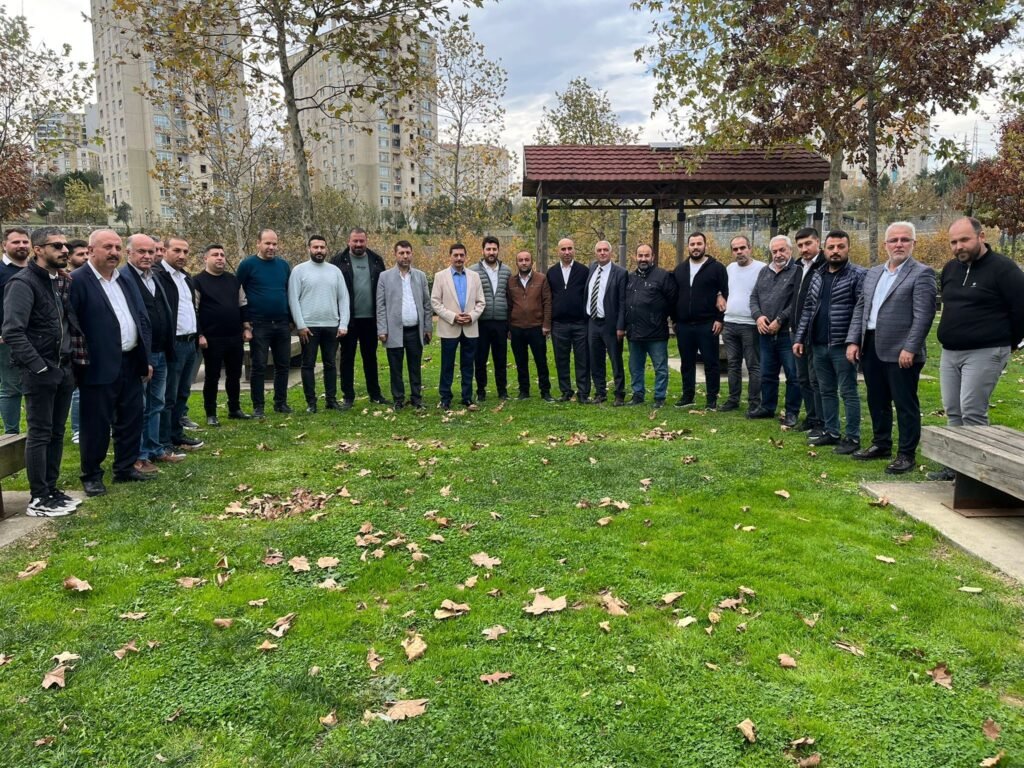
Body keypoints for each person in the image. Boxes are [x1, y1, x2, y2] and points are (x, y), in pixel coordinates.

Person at [929, 216, 1024, 480]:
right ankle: (955, 466)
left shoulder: (1004, 270)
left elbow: (1021, 309)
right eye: (953, 242)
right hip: (950, 352)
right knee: (953, 409)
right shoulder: (951, 269)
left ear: (981, 237)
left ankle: (975, 475)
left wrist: (1010, 342)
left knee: (972, 410)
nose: (958, 246)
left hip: (986, 350)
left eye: (964, 240)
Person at [846, 222, 937, 474]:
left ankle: (906, 454)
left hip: (902, 350)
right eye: (893, 240)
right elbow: (861, 308)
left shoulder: (922, 274)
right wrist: (853, 340)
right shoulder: (874, 273)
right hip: (871, 344)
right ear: (885, 244)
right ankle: (881, 444)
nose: (899, 244)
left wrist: (911, 348)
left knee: (905, 403)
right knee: (877, 399)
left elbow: (924, 315)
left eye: (904, 240)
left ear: (913, 243)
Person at [2, 227, 81, 516]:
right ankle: (38, 498)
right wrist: (40, 367)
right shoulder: (23, 283)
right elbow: (13, 331)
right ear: (38, 250)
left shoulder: (58, 281)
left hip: (63, 368)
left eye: (65, 245)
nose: (64, 250)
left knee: (56, 432)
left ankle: (51, 489)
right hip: (40, 371)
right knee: (40, 433)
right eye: (56, 245)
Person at [69, 229, 154, 496]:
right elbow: (72, 325)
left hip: (130, 360)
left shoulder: (124, 279)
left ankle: (125, 467)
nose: (114, 252)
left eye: (117, 247)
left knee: (131, 418)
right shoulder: (77, 281)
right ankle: (92, 475)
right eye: (107, 247)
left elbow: (140, 318)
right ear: (90, 250)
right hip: (98, 364)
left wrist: (145, 358)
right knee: (96, 423)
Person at [794, 230, 865, 453]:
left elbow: (860, 312)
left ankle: (852, 437)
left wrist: (854, 341)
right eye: (831, 247)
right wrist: (800, 337)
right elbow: (808, 308)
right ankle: (831, 431)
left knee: (848, 391)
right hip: (818, 343)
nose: (835, 251)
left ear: (848, 248)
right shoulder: (818, 274)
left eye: (840, 247)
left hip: (842, 345)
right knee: (825, 390)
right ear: (825, 249)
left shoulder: (857, 275)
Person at [121, 234, 176, 473]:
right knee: (139, 406)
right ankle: (139, 454)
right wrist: (143, 356)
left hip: (161, 350)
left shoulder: (155, 277)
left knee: (157, 403)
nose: (147, 256)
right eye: (141, 251)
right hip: (142, 353)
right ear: (129, 253)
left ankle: (155, 449)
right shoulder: (123, 278)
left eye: (151, 252)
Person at [288, 235, 350, 413]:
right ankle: (311, 403)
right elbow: (293, 299)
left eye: (322, 247)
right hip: (309, 327)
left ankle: (331, 400)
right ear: (309, 249)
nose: (319, 250)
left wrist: (343, 324)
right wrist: (301, 325)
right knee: (308, 364)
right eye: (315, 247)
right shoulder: (299, 271)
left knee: (330, 364)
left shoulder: (335, 271)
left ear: (326, 249)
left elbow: (343, 298)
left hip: (331, 325)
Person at [194, 244, 252, 424]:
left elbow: (243, 304)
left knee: (234, 375)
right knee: (212, 377)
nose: (220, 258)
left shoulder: (233, 280)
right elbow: (193, 310)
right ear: (206, 258)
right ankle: (211, 413)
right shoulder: (197, 281)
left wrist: (246, 327)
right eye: (215, 255)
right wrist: (200, 334)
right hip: (211, 339)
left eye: (222, 255)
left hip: (235, 337)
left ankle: (234, 409)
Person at [237, 228, 292, 417]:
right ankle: (258, 406)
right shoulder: (247, 265)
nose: (271, 247)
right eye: (267, 243)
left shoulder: (283, 265)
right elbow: (239, 293)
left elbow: (288, 292)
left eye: (274, 244)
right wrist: (245, 323)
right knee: (259, 366)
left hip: (282, 323)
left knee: (283, 365)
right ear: (258, 243)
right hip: (258, 324)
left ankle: (280, 403)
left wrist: (291, 319)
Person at [748, 235, 802, 424]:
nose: (778, 254)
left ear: (790, 250)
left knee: (793, 376)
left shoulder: (798, 271)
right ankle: (767, 407)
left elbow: (797, 301)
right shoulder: (764, 271)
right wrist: (758, 316)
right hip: (765, 333)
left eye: (782, 250)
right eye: (774, 251)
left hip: (787, 334)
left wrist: (780, 320)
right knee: (767, 374)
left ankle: (791, 412)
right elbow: (754, 297)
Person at [332, 228, 388, 407]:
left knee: (370, 357)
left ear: (366, 241)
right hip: (348, 319)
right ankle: (348, 396)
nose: (358, 244)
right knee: (347, 358)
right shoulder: (338, 261)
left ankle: (375, 394)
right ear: (348, 241)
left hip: (370, 319)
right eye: (355, 241)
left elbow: (383, 288)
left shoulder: (376, 260)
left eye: (361, 241)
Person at [157, 236, 204, 451]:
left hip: (190, 342)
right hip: (172, 343)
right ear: (164, 250)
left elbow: (191, 310)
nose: (182, 255)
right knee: (168, 395)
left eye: (185, 251)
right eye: (177, 250)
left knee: (183, 393)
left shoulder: (185, 278)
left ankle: (176, 434)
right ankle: (164, 440)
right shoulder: (158, 277)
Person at [672, 231, 728, 409]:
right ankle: (688, 396)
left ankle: (711, 399)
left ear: (705, 245)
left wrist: (719, 319)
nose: (695, 247)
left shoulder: (717, 268)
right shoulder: (680, 270)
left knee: (711, 363)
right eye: (692, 244)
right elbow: (673, 296)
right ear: (688, 247)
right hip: (684, 325)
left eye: (699, 244)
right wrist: (675, 320)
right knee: (686, 363)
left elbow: (724, 293)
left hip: (708, 324)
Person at [376, 240, 431, 410]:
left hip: (415, 330)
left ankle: (416, 398)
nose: (405, 256)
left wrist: (427, 327)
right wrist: (382, 329)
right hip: (394, 331)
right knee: (395, 368)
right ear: (395, 254)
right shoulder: (384, 277)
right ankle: (398, 399)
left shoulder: (420, 276)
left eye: (408, 253)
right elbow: (380, 305)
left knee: (415, 367)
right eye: (401, 253)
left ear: (412, 254)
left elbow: (427, 304)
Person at [431, 243, 485, 411]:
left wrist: (472, 316)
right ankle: (445, 397)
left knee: (468, 364)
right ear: (450, 257)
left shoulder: (474, 277)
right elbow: (435, 302)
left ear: (466, 257)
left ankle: (467, 397)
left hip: (470, 327)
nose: (459, 258)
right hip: (449, 327)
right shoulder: (440, 276)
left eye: (462, 255)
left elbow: (481, 302)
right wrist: (453, 316)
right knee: (447, 365)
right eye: (456, 255)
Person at [625, 244, 677, 407]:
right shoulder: (630, 277)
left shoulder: (663, 276)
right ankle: (637, 395)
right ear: (635, 257)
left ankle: (659, 397)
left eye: (646, 255)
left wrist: (662, 318)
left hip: (656, 333)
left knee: (660, 368)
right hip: (634, 332)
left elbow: (672, 301)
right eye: (640, 255)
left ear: (652, 257)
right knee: (635, 367)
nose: (643, 259)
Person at [721, 236, 765, 414]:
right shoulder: (730, 268)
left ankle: (754, 402)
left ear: (750, 248)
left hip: (751, 324)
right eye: (735, 249)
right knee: (733, 364)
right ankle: (733, 399)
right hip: (730, 323)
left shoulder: (761, 268)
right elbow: (723, 289)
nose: (739, 252)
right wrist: (719, 295)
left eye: (742, 248)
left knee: (753, 365)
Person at [792, 227, 827, 435]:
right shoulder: (798, 266)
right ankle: (812, 416)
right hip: (796, 331)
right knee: (803, 378)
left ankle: (822, 421)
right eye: (800, 245)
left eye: (808, 244)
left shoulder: (824, 265)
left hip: (814, 333)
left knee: (817, 380)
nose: (804, 249)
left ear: (818, 242)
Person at [547, 238, 591, 403]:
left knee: (582, 359)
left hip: (580, 323)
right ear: (558, 251)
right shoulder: (552, 272)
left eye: (570, 248)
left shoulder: (584, 271)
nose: (567, 252)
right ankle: (566, 391)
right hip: (559, 324)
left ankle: (583, 392)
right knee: (561, 359)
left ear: (574, 250)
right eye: (563, 249)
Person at [469, 236, 512, 401]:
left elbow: (510, 296)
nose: (491, 252)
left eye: (494, 249)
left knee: (501, 358)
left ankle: (502, 390)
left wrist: (509, 323)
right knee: (480, 358)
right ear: (483, 251)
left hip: (501, 321)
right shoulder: (473, 271)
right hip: (481, 321)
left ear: (498, 250)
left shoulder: (506, 271)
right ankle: (481, 390)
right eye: (488, 249)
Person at [507, 250, 553, 402]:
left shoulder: (541, 279)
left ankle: (545, 391)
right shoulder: (511, 281)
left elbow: (547, 302)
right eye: (520, 260)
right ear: (517, 263)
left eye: (527, 259)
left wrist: (546, 325)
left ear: (531, 262)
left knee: (541, 361)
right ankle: (524, 391)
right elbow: (509, 305)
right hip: (517, 328)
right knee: (520, 362)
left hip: (536, 327)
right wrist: (509, 327)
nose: (524, 262)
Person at [586, 240, 627, 405]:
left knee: (615, 360)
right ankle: (600, 392)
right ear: (595, 253)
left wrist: (621, 326)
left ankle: (619, 394)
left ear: (611, 252)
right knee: (596, 360)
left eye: (605, 250)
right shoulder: (591, 269)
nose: (602, 253)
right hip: (593, 322)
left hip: (611, 324)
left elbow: (623, 302)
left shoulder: (620, 273)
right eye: (599, 250)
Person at [0, 227, 30, 434]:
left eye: (25, 242)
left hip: (36, 338)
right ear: (4, 245)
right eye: (16, 242)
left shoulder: (37, 269)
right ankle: (12, 434)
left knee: (38, 386)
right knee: (11, 388)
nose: (21, 246)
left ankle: (38, 432)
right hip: (7, 340)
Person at [65, 239, 88, 444]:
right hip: (75, 342)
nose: (85, 258)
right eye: (80, 254)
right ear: (69, 257)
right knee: (78, 391)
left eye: (87, 253)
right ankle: (78, 429)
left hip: (92, 341)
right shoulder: (68, 280)